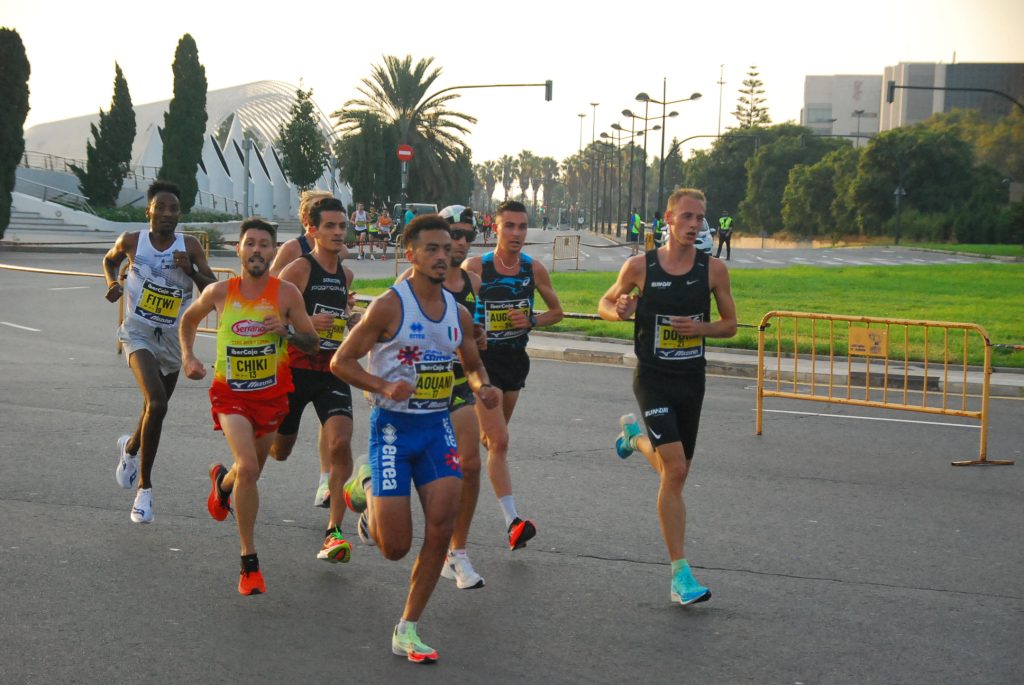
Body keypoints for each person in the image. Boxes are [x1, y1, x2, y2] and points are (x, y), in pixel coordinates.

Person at [331, 214, 499, 662]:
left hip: (435, 428)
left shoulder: (457, 313)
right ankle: (363, 487)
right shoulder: (390, 306)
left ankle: (407, 628)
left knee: (442, 526)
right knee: (394, 548)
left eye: (448, 249)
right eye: (432, 249)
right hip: (391, 431)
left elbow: (471, 366)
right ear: (411, 254)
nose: (443, 256)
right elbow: (341, 363)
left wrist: (483, 389)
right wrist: (384, 386)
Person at [597, 187, 737, 606]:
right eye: (688, 217)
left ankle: (633, 440)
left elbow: (731, 324)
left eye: (701, 219)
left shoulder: (713, 271)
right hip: (654, 377)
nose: (695, 225)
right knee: (674, 471)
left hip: (691, 379)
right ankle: (680, 575)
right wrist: (618, 310)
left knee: (675, 470)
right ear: (669, 220)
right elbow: (605, 302)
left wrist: (702, 330)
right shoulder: (640, 266)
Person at [179, 218, 319, 595]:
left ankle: (222, 485)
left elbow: (312, 343)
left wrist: (286, 332)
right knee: (251, 465)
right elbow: (188, 320)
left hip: (272, 395)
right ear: (238, 250)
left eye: (264, 245)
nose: (257, 250)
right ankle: (249, 561)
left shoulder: (287, 294)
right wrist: (189, 356)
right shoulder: (220, 292)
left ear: (274, 252)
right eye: (250, 244)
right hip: (231, 395)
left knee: (249, 473)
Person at [102, 180, 216, 523]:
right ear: (148, 211)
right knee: (158, 402)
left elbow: (211, 289)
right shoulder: (133, 241)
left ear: (180, 215)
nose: (168, 214)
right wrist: (112, 283)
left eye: (174, 210)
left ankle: (131, 448)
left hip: (173, 338)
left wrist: (190, 270)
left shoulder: (190, 246)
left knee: (154, 409)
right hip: (138, 333)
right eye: (161, 208)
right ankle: (145, 491)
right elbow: (109, 261)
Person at [462, 199, 564, 550]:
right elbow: (453, 310)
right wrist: (475, 331)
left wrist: (533, 319)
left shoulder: (533, 269)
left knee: (491, 441)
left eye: (522, 227)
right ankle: (513, 522)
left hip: (516, 361)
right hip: (483, 364)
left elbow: (557, 311)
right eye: (510, 226)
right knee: (500, 441)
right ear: (496, 228)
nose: (517, 233)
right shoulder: (476, 267)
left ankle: (455, 446)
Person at [396, 205, 486, 589]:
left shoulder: (471, 283)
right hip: (411, 393)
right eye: (455, 236)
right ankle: (368, 492)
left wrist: (476, 342)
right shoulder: (406, 284)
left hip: (455, 386)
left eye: (467, 237)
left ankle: (458, 553)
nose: (460, 244)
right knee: (396, 530)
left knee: (471, 465)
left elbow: (467, 339)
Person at [270, 198, 358, 564]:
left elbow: (340, 317)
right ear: (313, 231)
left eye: (342, 226)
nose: (338, 233)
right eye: (330, 227)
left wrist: (350, 322)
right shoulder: (298, 270)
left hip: (331, 371)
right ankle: (227, 481)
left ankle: (333, 533)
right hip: (294, 370)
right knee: (278, 452)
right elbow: (269, 319)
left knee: (340, 442)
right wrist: (302, 323)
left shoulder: (346, 275)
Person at [268, 190, 336, 277]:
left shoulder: (339, 251)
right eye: (318, 210)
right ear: (305, 217)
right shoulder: (292, 248)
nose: (325, 214)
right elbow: (271, 283)